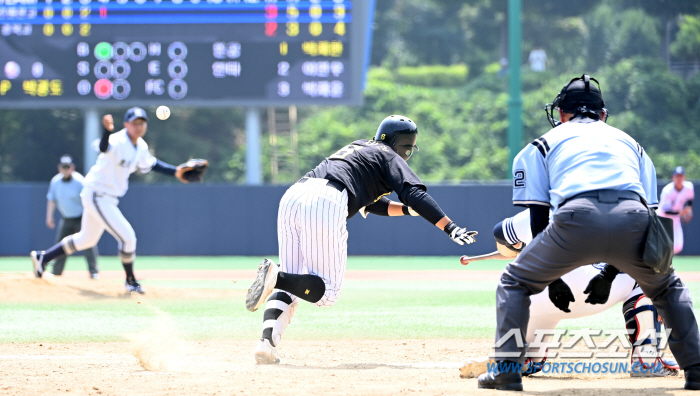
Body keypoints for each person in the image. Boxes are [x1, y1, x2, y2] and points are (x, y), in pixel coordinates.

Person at [478, 75, 700, 391]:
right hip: (634, 217)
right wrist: (610, 275)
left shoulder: (540, 144)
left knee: (514, 281)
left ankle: (507, 371)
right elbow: (651, 214)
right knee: (668, 288)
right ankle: (696, 369)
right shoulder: (632, 144)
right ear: (603, 114)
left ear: (562, 114)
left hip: (574, 217)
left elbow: (539, 218)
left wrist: (551, 279)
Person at [244, 115, 478, 364]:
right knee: (327, 293)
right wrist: (450, 227)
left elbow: (375, 204)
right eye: (408, 148)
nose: (407, 155)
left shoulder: (361, 147)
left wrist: (409, 209)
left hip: (295, 195)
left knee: (293, 284)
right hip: (325, 201)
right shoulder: (388, 155)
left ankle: (265, 345)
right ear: (397, 144)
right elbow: (414, 193)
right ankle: (275, 275)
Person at [461, 209, 678, 378]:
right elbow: (653, 250)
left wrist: (513, 249)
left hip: (539, 299)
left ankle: (518, 359)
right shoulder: (611, 206)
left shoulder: (536, 210)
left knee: (529, 356)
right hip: (596, 291)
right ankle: (646, 358)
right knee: (647, 274)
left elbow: (502, 236)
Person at [31, 107, 207, 294]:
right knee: (128, 237)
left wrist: (176, 171)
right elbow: (103, 147)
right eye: (135, 123)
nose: (138, 126)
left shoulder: (141, 147)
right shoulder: (117, 139)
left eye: (142, 123)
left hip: (106, 197)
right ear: (126, 124)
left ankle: (43, 258)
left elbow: (152, 164)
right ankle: (130, 280)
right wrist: (107, 131)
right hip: (97, 194)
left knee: (86, 240)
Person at [45, 155, 99, 278]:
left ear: (72, 167)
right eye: (63, 167)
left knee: (88, 242)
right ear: (59, 168)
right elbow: (51, 200)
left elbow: (88, 199)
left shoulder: (80, 181)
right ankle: (56, 272)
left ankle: (94, 272)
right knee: (61, 245)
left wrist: (91, 216)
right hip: (66, 218)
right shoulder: (55, 181)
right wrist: (49, 216)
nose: (65, 169)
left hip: (81, 217)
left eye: (67, 167)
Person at [657, 166, 694, 254]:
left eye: (681, 176)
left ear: (684, 177)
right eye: (677, 176)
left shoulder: (689, 187)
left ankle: (666, 261)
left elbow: (690, 199)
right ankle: (662, 261)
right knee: (661, 244)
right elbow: (666, 211)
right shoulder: (667, 191)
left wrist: (689, 208)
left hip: (675, 219)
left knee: (677, 246)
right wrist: (681, 212)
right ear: (672, 177)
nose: (679, 178)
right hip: (663, 218)